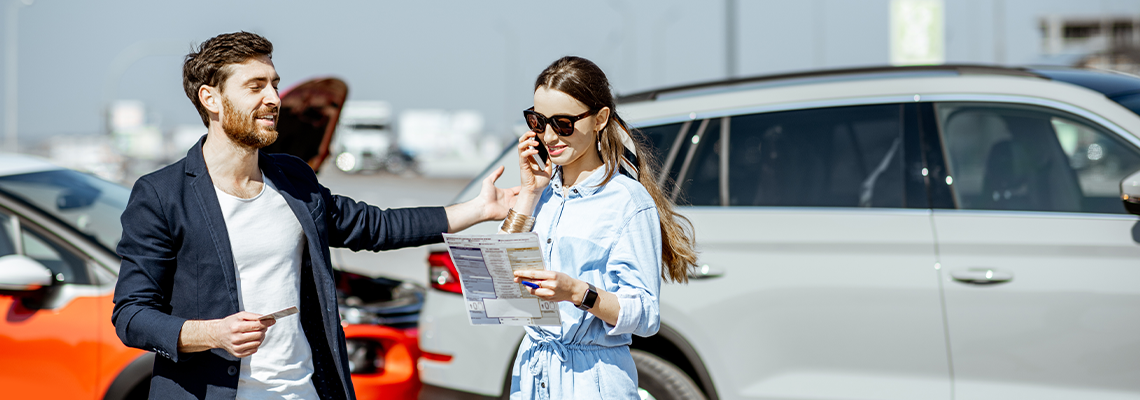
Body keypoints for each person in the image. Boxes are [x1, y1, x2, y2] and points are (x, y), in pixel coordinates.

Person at [111, 31, 518, 400]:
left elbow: (375, 226)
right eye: (256, 86)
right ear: (210, 99)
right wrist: (210, 333)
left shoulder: (292, 177)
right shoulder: (161, 194)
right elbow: (131, 315)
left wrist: (479, 210)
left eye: (273, 83)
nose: (273, 98)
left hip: (305, 390)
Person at [502, 56, 698, 399]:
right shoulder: (541, 192)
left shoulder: (626, 201)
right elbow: (503, 272)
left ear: (600, 119)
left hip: (592, 379)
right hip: (532, 374)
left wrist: (578, 293)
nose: (548, 136)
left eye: (562, 123)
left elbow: (646, 315)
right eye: (537, 121)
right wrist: (529, 194)